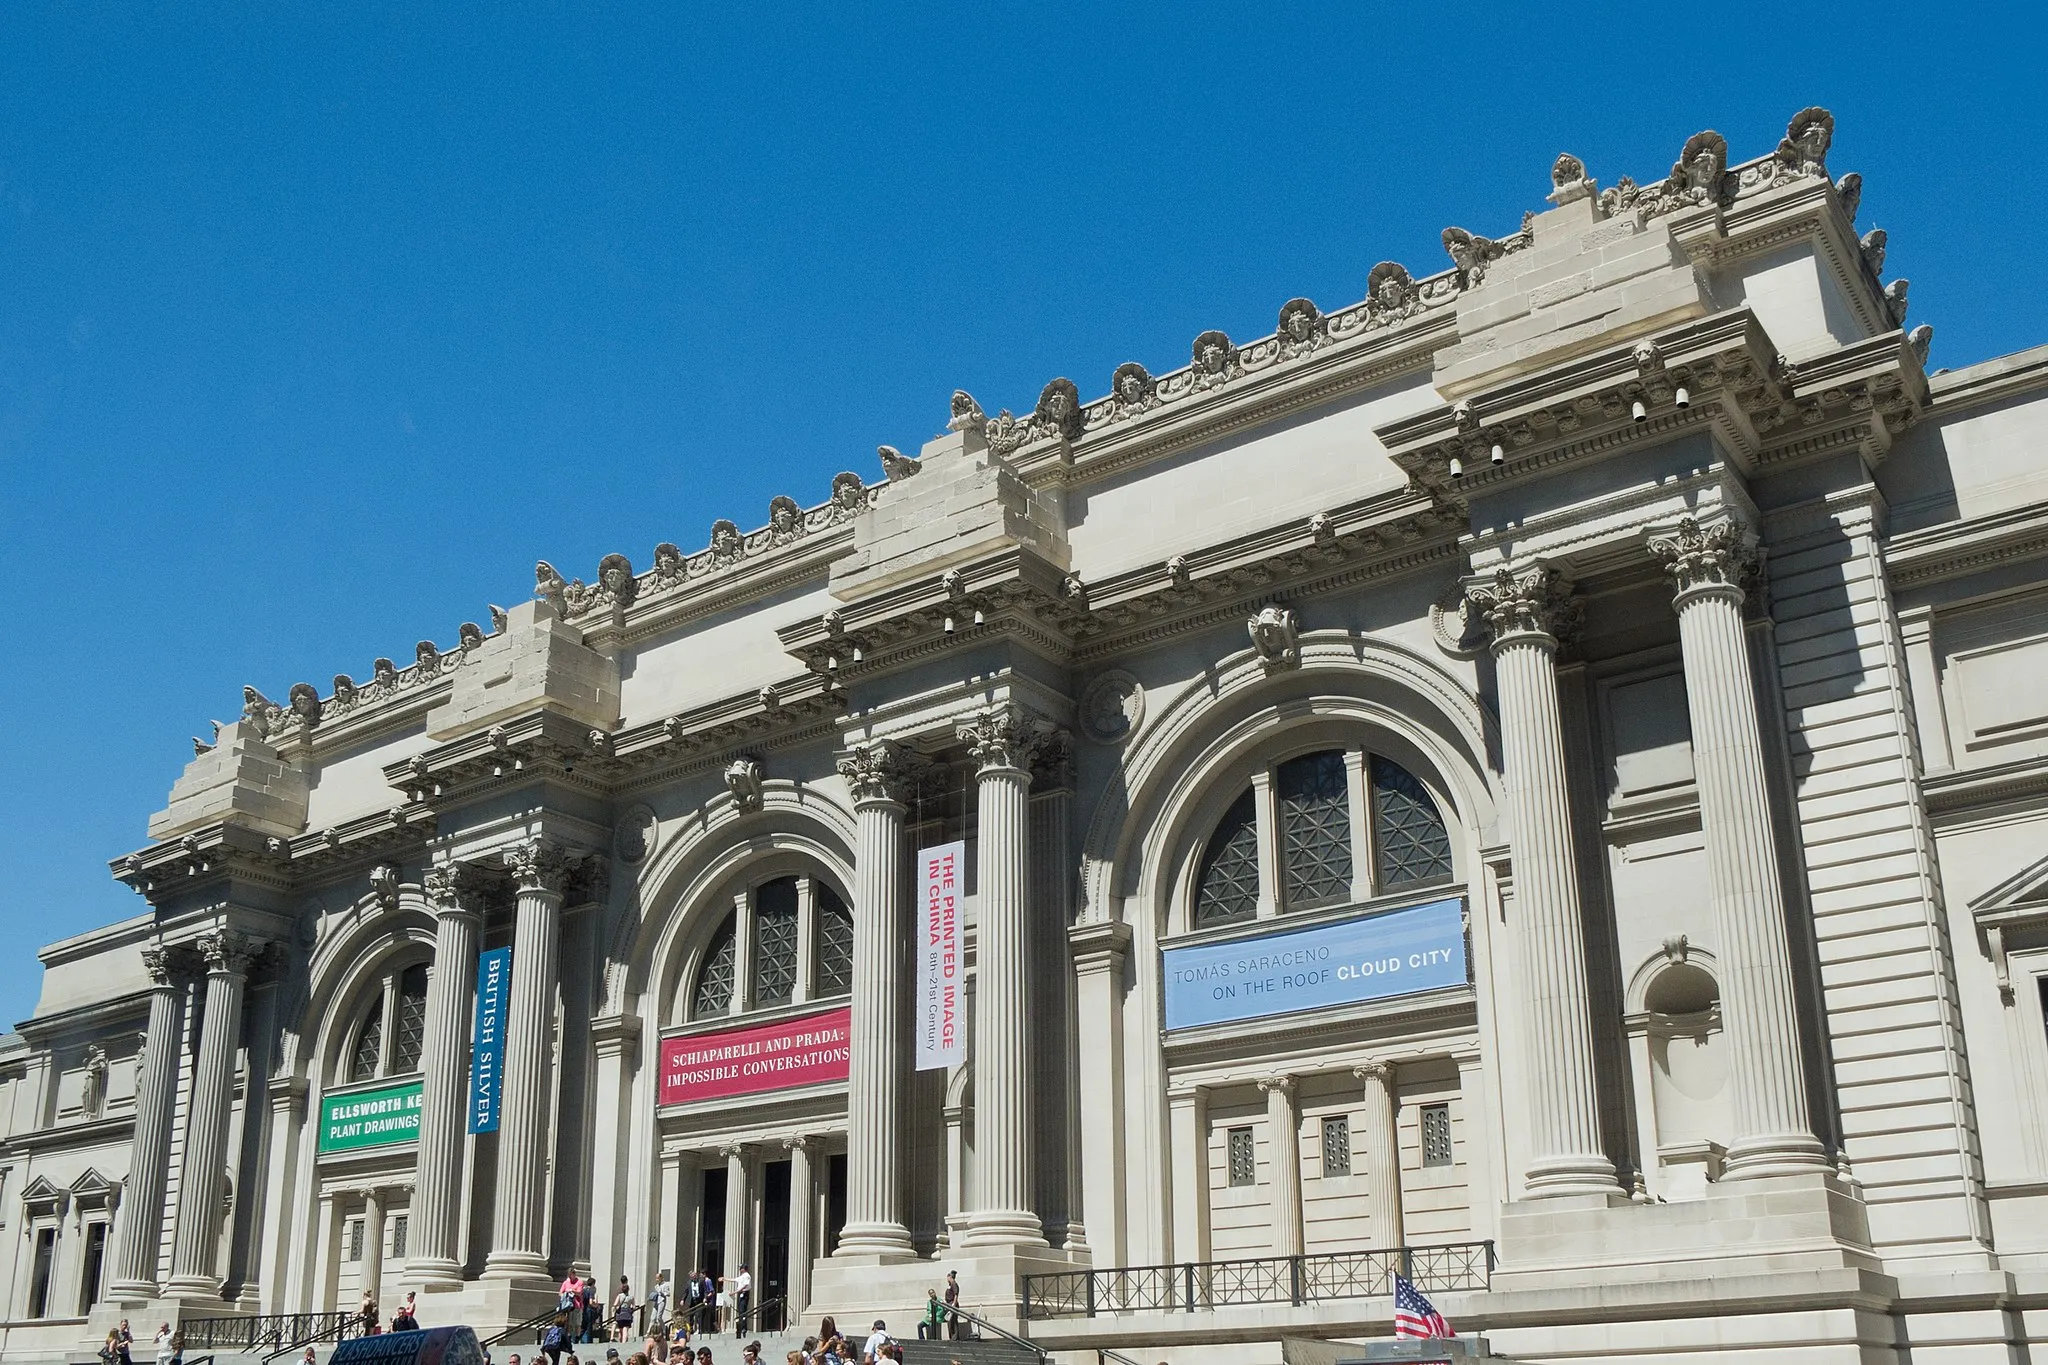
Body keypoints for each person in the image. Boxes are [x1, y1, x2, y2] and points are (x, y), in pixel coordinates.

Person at [725, 1265, 752, 1337]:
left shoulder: (747, 1276)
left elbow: (745, 1285)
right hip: (741, 1294)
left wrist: (734, 1292)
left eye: (740, 1268)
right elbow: (735, 1279)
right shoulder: (742, 1276)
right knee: (740, 1311)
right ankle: (741, 1328)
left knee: (743, 1311)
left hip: (744, 1294)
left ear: (743, 1269)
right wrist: (724, 1279)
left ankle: (744, 1328)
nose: (739, 1270)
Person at [943, 1271, 961, 1339]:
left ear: (950, 1277)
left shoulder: (954, 1284)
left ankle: (954, 1337)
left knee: (952, 1321)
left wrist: (954, 1304)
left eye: (947, 1278)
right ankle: (952, 1336)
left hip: (952, 1304)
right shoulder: (950, 1285)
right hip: (949, 1304)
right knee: (950, 1321)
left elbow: (956, 1294)